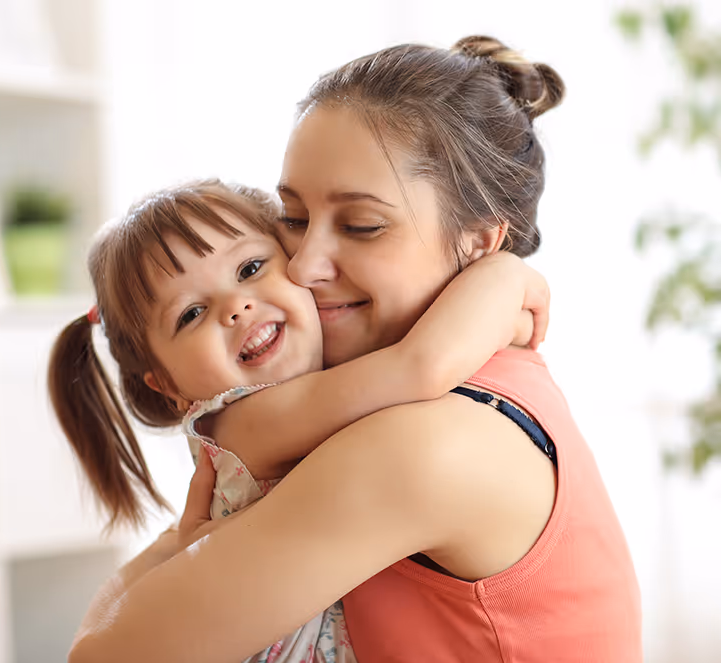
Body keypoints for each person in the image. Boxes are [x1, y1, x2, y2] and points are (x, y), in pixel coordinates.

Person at [66, 36, 642, 663]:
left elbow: (99, 655)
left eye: (362, 225)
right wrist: (500, 278)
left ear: (480, 240)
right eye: (293, 219)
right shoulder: (475, 381)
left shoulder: (422, 443)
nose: (304, 265)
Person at [49, 179, 547, 663]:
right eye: (192, 314)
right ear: (168, 385)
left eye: (249, 268)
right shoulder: (243, 419)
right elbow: (418, 366)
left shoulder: (330, 391)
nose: (236, 307)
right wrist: (503, 278)